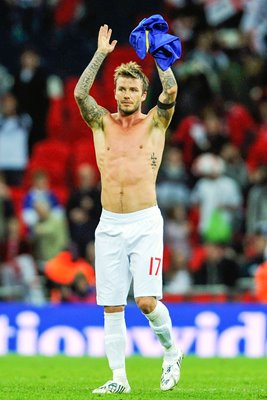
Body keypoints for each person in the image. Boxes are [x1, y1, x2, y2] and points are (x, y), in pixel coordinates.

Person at [74, 24, 183, 394]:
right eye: (121, 88)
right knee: (111, 306)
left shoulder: (155, 122)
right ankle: (119, 380)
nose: (125, 93)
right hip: (109, 224)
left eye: (132, 89)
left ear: (141, 93)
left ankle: (171, 353)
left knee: (147, 301)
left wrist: (158, 57)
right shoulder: (101, 122)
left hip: (144, 222)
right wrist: (102, 55)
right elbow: (79, 93)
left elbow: (170, 90)